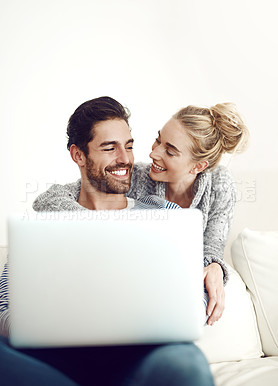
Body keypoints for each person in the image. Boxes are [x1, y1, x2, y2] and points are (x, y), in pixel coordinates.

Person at [0, 96, 216, 386]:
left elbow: (192, 298)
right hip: (59, 361)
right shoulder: (44, 225)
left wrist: (211, 272)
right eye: (109, 147)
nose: (125, 158)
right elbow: (7, 308)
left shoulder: (165, 215)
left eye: (128, 145)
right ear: (78, 155)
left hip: (142, 358)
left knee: (186, 365)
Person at [33, 101, 249, 326]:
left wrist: (213, 265)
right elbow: (59, 198)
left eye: (170, 151)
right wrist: (96, 229)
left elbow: (212, 245)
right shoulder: (136, 176)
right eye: (158, 140)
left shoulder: (219, 185)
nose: (153, 153)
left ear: (198, 167)